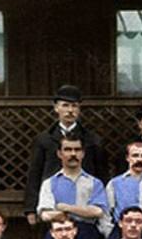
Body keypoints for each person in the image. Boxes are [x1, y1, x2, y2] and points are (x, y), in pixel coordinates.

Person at [24, 84, 108, 226]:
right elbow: (35, 173)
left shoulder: (92, 140)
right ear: (56, 108)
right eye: (65, 105)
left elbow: (101, 173)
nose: (70, 110)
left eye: (74, 106)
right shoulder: (43, 139)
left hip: (84, 209)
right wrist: (30, 209)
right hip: (54, 209)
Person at [37, 135, 108, 239]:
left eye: (77, 150)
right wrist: (83, 211)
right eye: (68, 150)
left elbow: (97, 212)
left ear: (83, 154)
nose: (73, 154)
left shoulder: (94, 183)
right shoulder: (49, 183)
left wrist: (66, 208)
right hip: (58, 232)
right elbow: (45, 215)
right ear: (60, 154)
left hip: (87, 234)